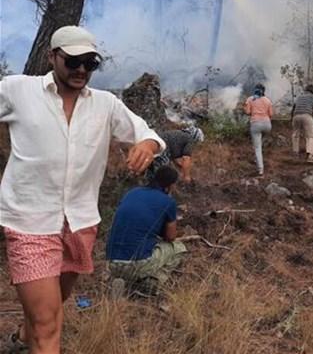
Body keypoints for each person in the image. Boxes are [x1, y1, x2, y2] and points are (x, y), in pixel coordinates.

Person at [0, 26, 165, 354]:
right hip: (29, 221)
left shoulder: (105, 104)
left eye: (90, 63)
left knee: (53, 303)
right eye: (73, 61)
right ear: (52, 57)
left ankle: (20, 340)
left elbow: (147, 133)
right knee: (49, 324)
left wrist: (146, 144)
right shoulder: (18, 90)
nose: (80, 70)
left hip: (79, 223)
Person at [106, 166, 186, 290]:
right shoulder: (168, 202)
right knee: (179, 248)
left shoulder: (132, 193)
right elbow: (170, 237)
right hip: (137, 264)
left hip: (111, 262)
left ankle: (121, 280)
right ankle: (152, 283)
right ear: (170, 185)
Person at [244, 83, 273, 176]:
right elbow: (271, 114)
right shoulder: (268, 100)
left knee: (257, 148)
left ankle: (260, 170)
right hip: (267, 125)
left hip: (255, 124)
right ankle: (259, 156)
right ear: (264, 91)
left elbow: (248, 112)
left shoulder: (250, 99)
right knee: (262, 139)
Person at [291, 85, 313, 163]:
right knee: (310, 136)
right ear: (312, 91)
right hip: (307, 116)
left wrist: (292, 118)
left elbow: (293, 108)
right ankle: (309, 156)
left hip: (296, 116)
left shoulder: (299, 97)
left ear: (305, 90)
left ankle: (295, 154)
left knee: (295, 135)